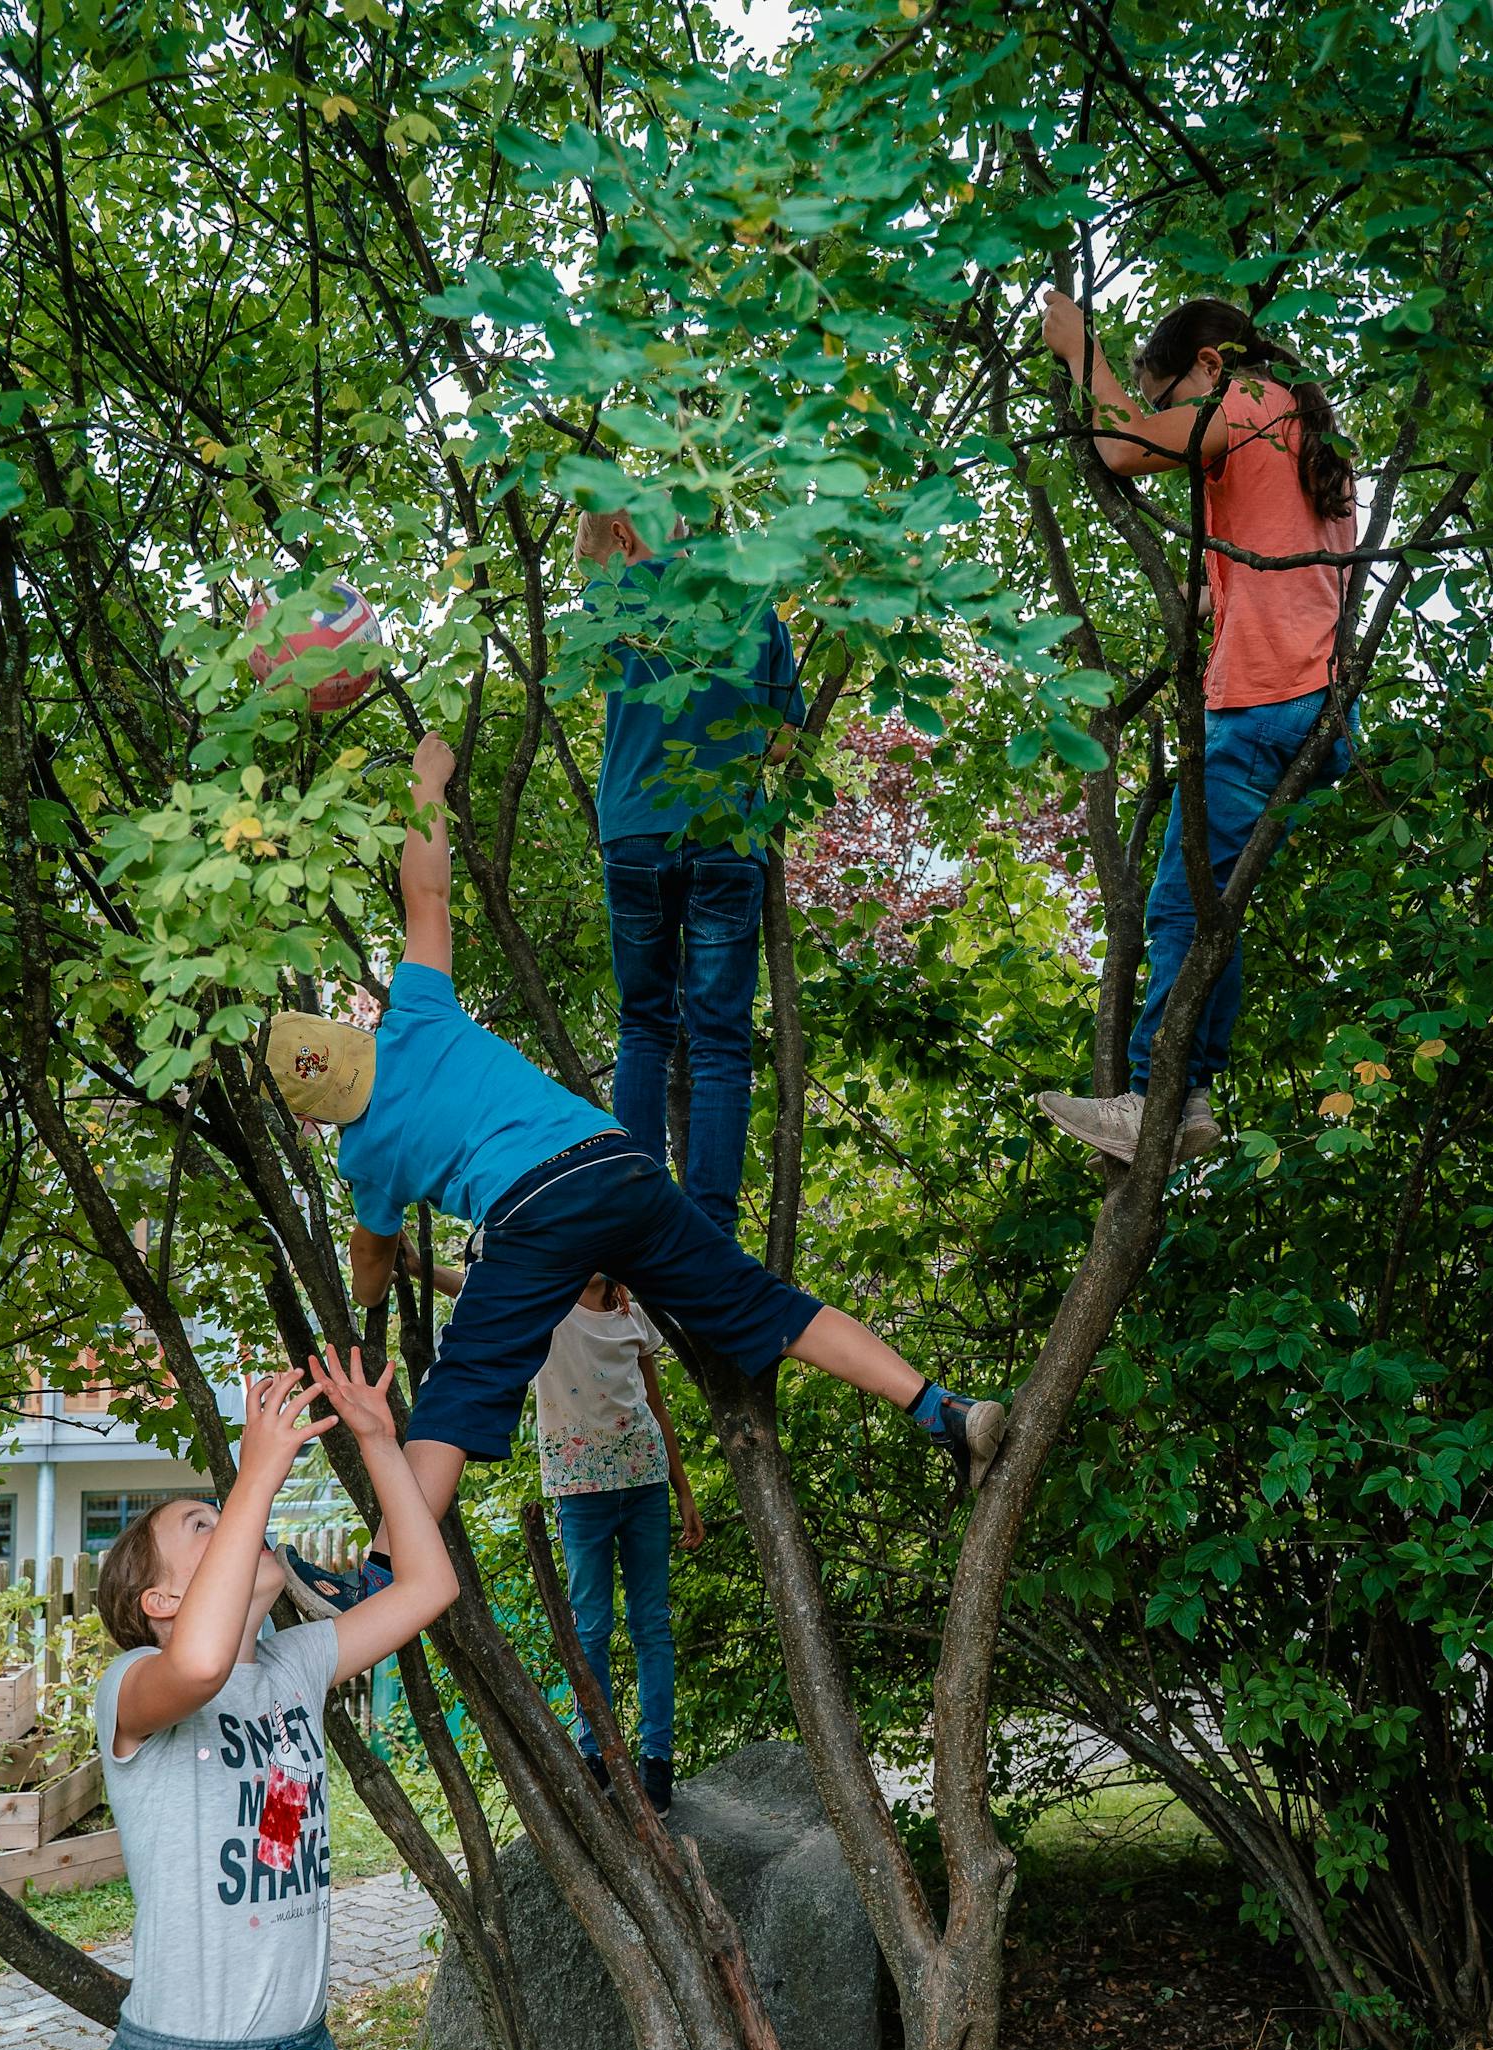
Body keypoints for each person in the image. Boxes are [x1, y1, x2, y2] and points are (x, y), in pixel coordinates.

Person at [270, 735, 1004, 1625]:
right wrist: (427, 779)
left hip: (533, 1210)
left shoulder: (363, 1158)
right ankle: (942, 1408)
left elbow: (372, 1256)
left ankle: (378, 1577)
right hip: (618, 1163)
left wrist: (369, 1305)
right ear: (356, 1041)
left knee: (461, 1390)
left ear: (316, 1114)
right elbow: (425, 892)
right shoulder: (417, 1012)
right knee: (767, 1306)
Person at [87, 1347, 457, 2050]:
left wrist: (381, 1442)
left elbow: (427, 1585)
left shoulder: (292, 1667)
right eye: (204, 1523)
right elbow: (199, 1666)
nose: (235, 1520)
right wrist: (253, 1467)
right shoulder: (135, 1689)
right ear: (161, 1598)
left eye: (231, 1509)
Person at [1034, 294, 1357, 1165]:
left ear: (1212, 367)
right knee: (1218, 915)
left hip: (1260, 705)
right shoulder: (1302, 427)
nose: (1168, 412)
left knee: (1179, 905)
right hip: (1311, 706)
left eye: (1171, 392)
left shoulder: (1250, 404)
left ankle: (1153, 1096)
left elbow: (1122, 446)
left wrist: (1080, 352)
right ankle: (1194, 1095)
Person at [576, 504, 806, 1236]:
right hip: (722, 833)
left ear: (619, 537)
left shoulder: (607, 602)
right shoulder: (750, 595)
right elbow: (781, 743)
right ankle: (709, 1225)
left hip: (635, 829)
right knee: (719, 1039)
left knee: (644, 1023)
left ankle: (635, 1214)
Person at [534, 1275, 702, 1817]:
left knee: (651, 1624)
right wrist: (414, 1266)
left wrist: (684, 1491)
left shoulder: (632, 1309)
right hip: (581, 1493)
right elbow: (468, 1284)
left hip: (646, 1480)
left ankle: (657, 1759)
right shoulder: (544, 1295)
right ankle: (598, 1754)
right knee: (591, 1628)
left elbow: (656, 1401)